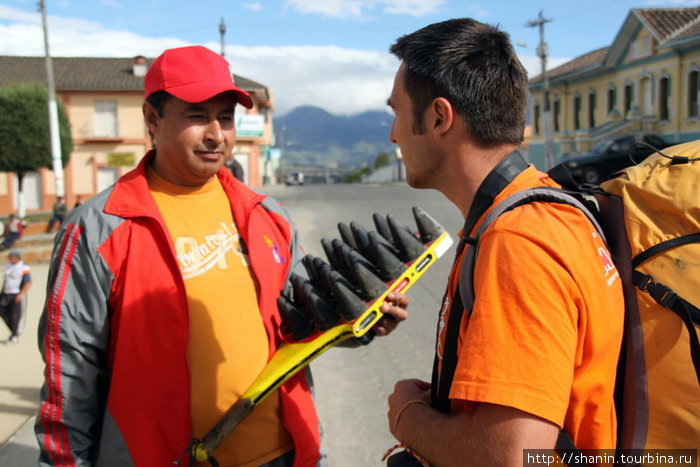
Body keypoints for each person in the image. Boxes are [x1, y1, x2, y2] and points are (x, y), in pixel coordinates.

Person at [35, 45, 408, 467]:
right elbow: (70, 370)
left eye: (226, 117)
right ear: (153, 120)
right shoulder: (98, 229)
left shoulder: (267, 216)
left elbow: (303, 320)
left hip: (285, 453)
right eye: (197, 115)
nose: (217, 134)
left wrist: (362, 321)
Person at [384, 18, 625, 466]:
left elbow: (510, 456)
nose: (393, 134)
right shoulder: (544, 207)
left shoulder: (518, 242)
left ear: (439, 117)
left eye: (396, 113)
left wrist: (408, 417)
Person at [0, 249, 31, 344]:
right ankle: (13, 330)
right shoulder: (8, 266)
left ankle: (15, 334)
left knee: (15, 315)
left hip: (17, 293)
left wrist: (21, 294)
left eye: (13, 258)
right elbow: (6, 280)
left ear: (18, 258)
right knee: (2, 311)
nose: (11, 259)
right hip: (6, 293)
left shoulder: (24, 267)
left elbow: (28, 282)